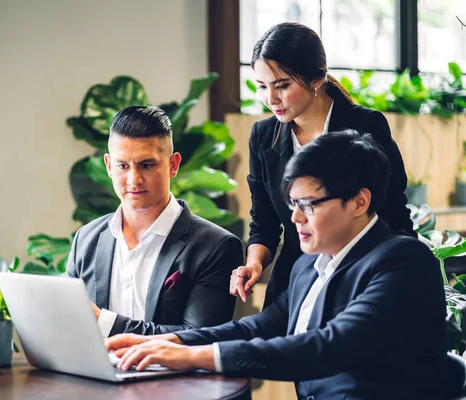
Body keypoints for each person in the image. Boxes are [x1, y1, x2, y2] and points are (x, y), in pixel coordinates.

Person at [105, 131, 447, 400]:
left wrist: (195, 358)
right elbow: (262, 325)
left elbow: (328, 346)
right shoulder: (308, 264)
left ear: (360, 201)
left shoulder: (403, 263)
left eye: (309, 205)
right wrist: (178, 342)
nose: (295, 218)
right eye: (293, 203)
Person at [231, 22, 414, 309]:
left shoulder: (365, 126)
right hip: (295, 281)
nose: (270, 99)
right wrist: (254, 264)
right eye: (262, 87)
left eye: (282, 86)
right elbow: (264, 223)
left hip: (361, 275)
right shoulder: (263, 137)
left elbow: (393, 213)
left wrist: (403, 281)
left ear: (317, 79)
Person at [67, 105, 244, 337]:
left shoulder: (216, 246)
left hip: (176, 375)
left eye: (146, 165)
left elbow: (198, 337)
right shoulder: (86, 239)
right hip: (93, 373)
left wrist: (104, 321)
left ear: (173, 165)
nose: (134, 180)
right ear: (109, 166)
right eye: (123, 166)